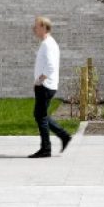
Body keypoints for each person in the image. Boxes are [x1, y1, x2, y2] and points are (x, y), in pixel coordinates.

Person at [30, 16, 72, 158]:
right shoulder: (48, 43)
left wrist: (39, 81)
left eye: (36, 26)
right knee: (40, 114)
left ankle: (47, 148)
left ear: (43, 27)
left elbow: (50, 67)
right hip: (47, 85)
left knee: (40, 116)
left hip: (45, 86)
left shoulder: (48, 44)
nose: (34, 29)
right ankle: (63, 136)